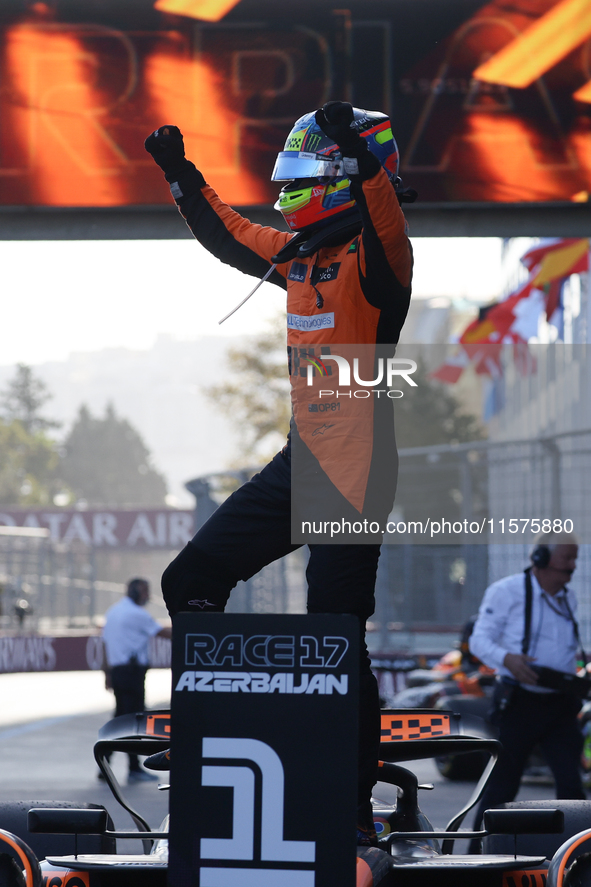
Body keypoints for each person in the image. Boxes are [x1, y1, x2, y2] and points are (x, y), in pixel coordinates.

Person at [144, 101, 415, 843]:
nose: (288, 191)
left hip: (357, 466)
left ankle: (353, 807)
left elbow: (385, 221)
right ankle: (212, 729)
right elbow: (229, 235)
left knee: (333, 633)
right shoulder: (299, 255)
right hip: (301, 457)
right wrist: (180, 175)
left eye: (304, 177)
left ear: (344, 179)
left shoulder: (378, 256)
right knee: (188, 581)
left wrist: (362, 159)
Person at [469, 537, 585, 846]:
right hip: (519, 703)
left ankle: (574, 858)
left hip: (560, 703)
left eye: (576, 558)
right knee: (501, 788)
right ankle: (476, 857)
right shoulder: (507, 591)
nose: (573, 565)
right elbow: (479, 641)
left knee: (572, 788)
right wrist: (506, 659)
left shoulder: (566, 598)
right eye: (568, 558)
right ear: (541, 556)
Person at [102, 578, 172, 783]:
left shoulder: (113, 611)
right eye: (145, 592)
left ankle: (105, 763)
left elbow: (106, 645)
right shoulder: (137, 614)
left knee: (119, 719)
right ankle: (134, 768)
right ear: (135, 592)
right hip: (132, 673)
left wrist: (106, 674)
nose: (148, 597)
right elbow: (163, 633)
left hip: (118, 671)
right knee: (134, 720)